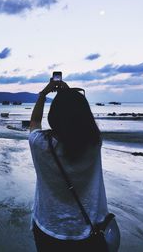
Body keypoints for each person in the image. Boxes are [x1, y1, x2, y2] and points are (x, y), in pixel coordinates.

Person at [28, 79, 120, 251]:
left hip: (49, 229)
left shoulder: (40, 144)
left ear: (53, 116)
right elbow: (80, 119)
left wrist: (43, 95)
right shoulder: (94, 143)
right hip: (88, 231)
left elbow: (34, 122)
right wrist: (68, 95)